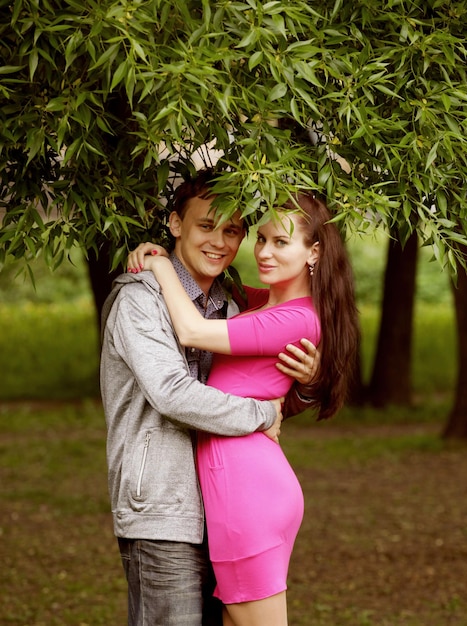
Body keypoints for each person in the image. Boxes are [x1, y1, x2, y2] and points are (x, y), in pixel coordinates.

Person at [100, 171, 319, 626]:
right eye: (206, 226)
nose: (220, 241)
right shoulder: (139, 301)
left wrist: (306, 383)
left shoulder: (232, 302)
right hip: (162, 508)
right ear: (176, 225)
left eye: (233, 230)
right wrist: (261, 414)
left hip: (225, 506)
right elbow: (173, 395)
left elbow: (258, 383)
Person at [135, 191, 359, 626]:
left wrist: (161, 264)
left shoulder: (296, 317)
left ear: (314, 252)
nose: (263, 251)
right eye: (261, 238)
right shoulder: (261, 302)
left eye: (281, 242)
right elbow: (214, 290)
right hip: (240, 483)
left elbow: (192, 329)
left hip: (246, 491)